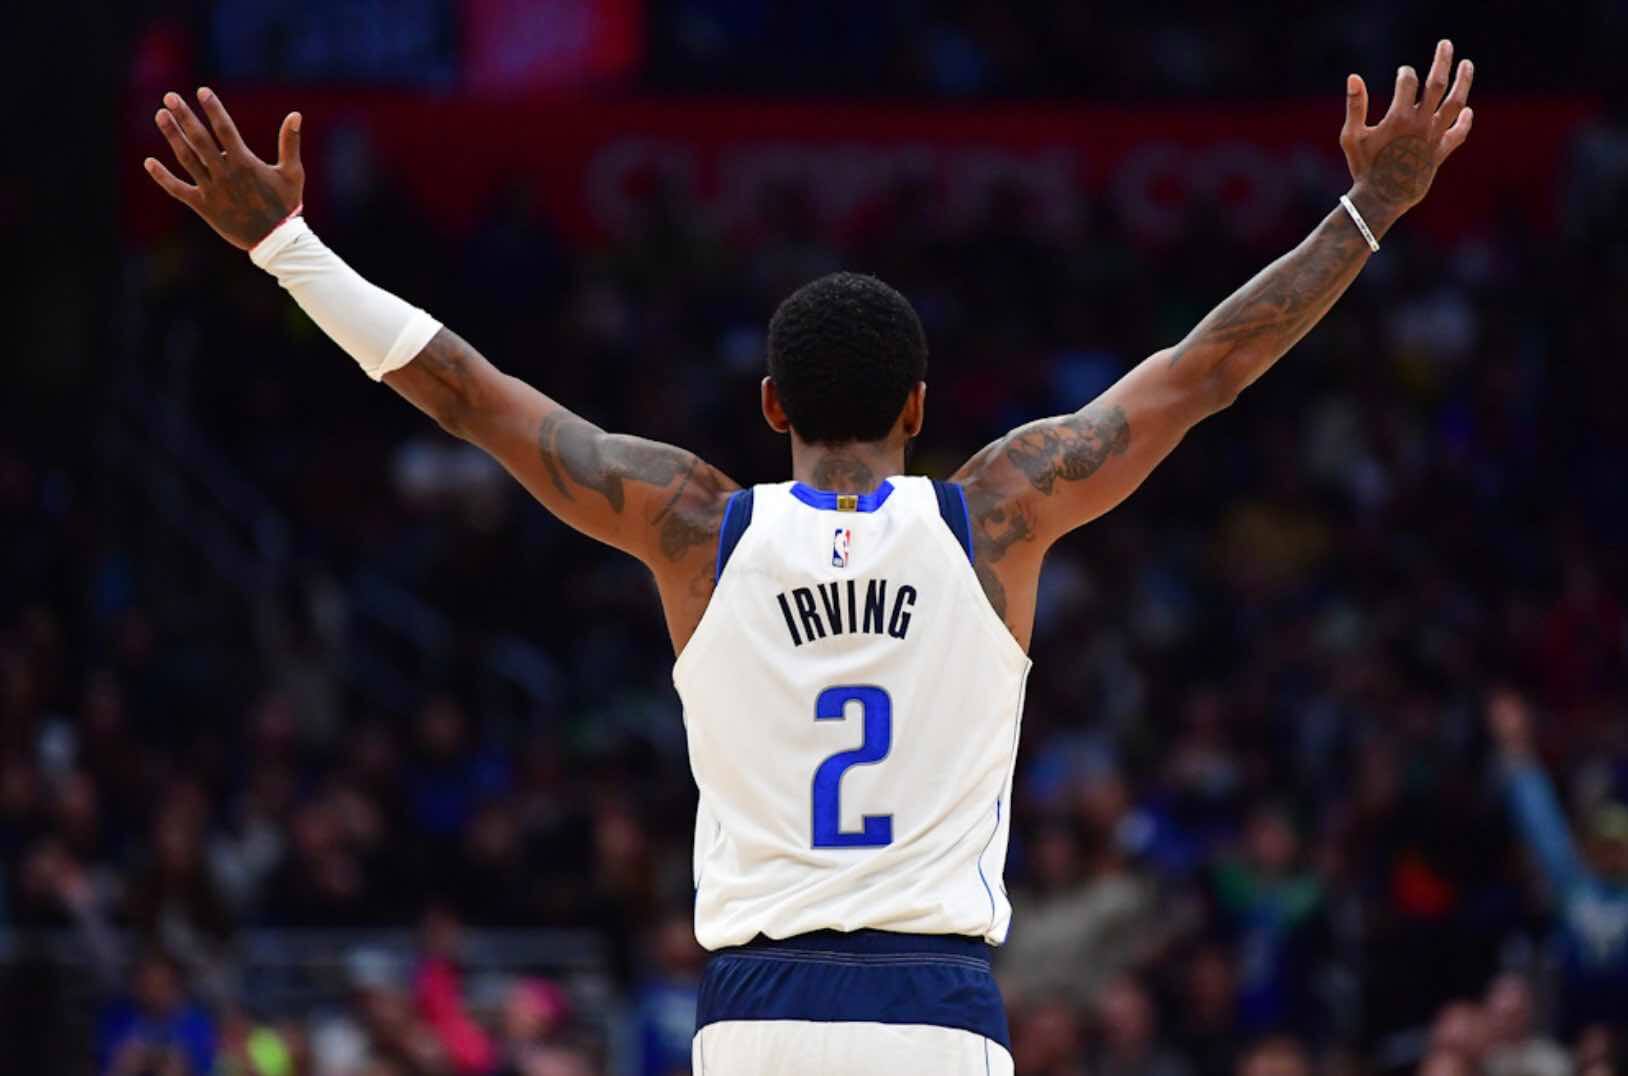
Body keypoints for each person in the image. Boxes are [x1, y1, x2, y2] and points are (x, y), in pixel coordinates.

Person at [143, 41, 1475, 1075]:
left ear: (771, 404)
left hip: (758, 1011)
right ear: (920, 406)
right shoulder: (1000, 512)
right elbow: (1203, 373)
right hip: (937, 1010)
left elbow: (468, 395)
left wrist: (284, 244)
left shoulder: (690, 525)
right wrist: (1366, 209)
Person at [1486, 691, 1628, 1034]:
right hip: (1573, 1029)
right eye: (1603, 844)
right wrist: (1516, 748)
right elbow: (1542, 825)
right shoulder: (1575, 886)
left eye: (1619, 844)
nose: (1611, 851)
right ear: (1590, 847)